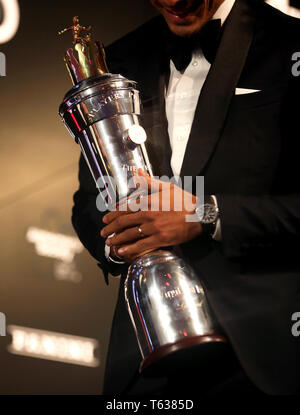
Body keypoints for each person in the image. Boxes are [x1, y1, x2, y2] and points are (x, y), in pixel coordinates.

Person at [72, 0, 300, 395]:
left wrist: (204, 214)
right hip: (146, 359)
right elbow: (89, 200)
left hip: (260, 358)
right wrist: (120, 239)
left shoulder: (290, 45)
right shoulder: (121, 58)